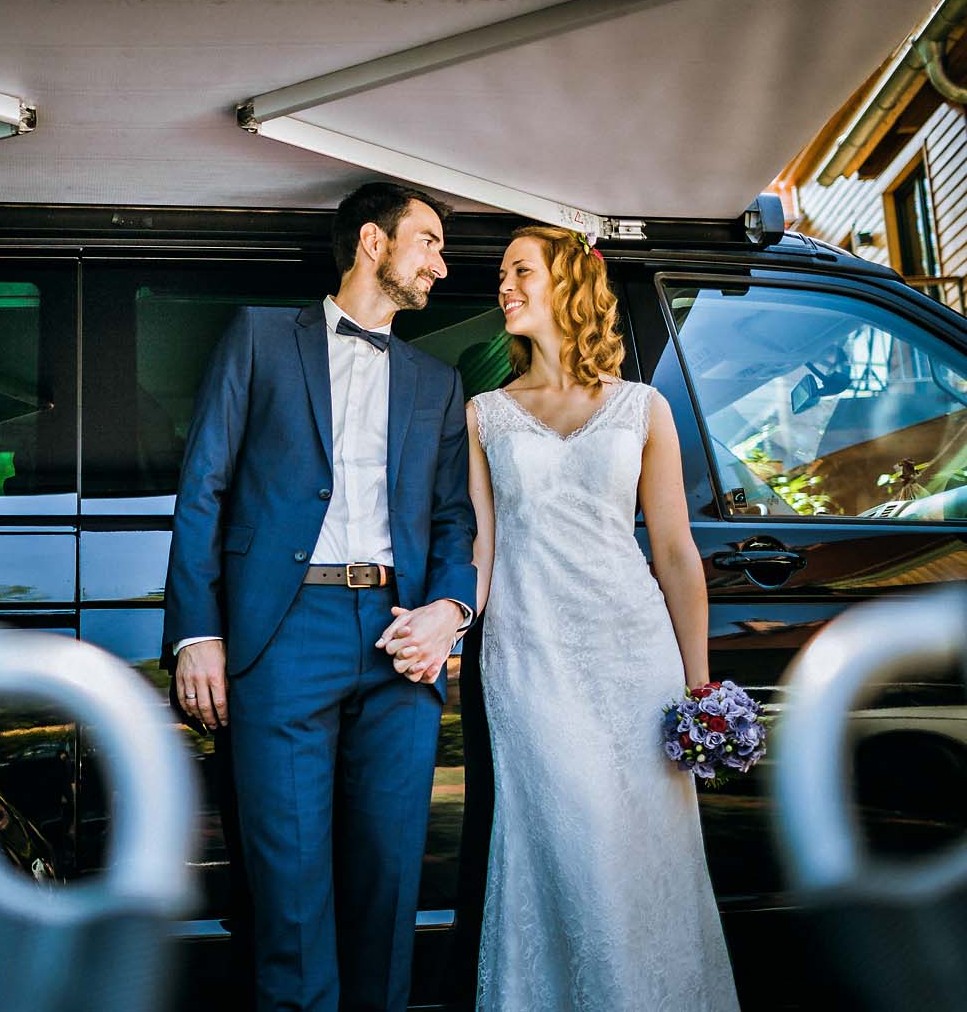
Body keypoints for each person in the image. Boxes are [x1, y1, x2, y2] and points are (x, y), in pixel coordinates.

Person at [162, 181, 477, 1012]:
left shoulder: (437, 385)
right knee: (290, 902)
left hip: (400, 639)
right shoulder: (260, 339)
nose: (442, 265)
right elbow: (204, 490)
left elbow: (454, 523)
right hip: (282, 634)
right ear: (373, 243)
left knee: (387, 889)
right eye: (430, 243)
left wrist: (452, 610)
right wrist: (197, 633)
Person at [465, 225, 739, 1011]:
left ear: (566, 281)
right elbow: (479, 553)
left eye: (519, 270)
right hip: (530, 657)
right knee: (568, 847)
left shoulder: (643, 407)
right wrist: (444, 623)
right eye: (502, 274)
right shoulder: (483, 416)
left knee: (645, 860)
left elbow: (678, 554)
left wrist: (699, 687)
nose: (504, 286)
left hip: (635, 659)